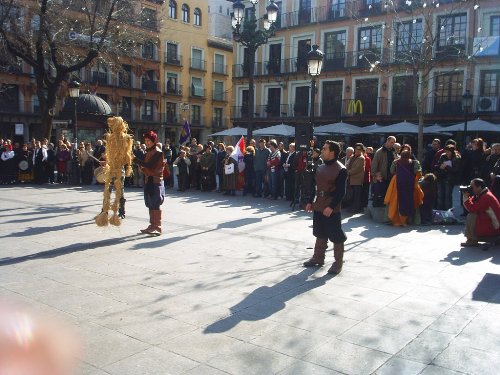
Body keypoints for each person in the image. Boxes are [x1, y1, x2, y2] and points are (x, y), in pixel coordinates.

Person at [303, 140, 347, 274]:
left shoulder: (341, 169)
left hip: (331, 206)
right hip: (318, 204)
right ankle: (318, 257)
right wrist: (310, 201)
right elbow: (315, 187)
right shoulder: (320, 167)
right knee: (319, 231)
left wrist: (332, 206)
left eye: (324, 149)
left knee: (336, 234)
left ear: (332, 152)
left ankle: (338, 263)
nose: (322, 150)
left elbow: (341, 192)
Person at [133, 131, 165, 235]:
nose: (146, 142)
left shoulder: (158, 152)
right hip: (149, 180)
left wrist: (135, 160)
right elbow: (145, 166)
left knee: (155, 203)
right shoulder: (148, 152)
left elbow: (150, 165)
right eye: (145, 140)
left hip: (155, 181)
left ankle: (157, 227)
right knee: (150, 203)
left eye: (148, 140)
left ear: (153, 141)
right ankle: (152, 225)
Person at [385, 145, 424, 226]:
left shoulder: (396, 162)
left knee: (395, 201)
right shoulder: (414, 162)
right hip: (410, 184)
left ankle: (395, 220)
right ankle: (406, 220)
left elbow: (392, 171)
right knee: (409, 201)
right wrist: (415, 180)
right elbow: (419, 172)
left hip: (396, 183)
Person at [461, 178, 500, 246]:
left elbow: (472, 209)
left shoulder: (486, 196)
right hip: (489, 222)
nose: (470, 188)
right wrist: (467, 196)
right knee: (472, 215)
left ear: (479, 187)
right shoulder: (482, 193)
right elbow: (472, 204)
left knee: (471, 216)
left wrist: (465, 198)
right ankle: (470, 239)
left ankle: (472, 239)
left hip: (494, 227)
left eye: (472, 187)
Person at [434, 144, 461, 210]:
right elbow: (437, 165)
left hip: (449, 180)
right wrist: (440, 167)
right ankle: (440, 212)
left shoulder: (456, 158)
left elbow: (456, 170)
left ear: (452, 152)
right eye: (446, 151)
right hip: (441, 178)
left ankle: (448, 212)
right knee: (440, 196)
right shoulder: (443, 156)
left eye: (448, 152)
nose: (447, 153)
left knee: (447, 197)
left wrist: (446, 167)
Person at [346, 143, 365, 213]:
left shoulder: (361, 158)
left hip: (357, 180)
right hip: (350, 179)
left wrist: (347, 172)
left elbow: (357, 169)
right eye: (356, 148)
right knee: (351, 194)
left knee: (356, 196)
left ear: (361, 150)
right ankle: (351, 207)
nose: (357, 150)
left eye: (359, 149)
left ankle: (355, 208)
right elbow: (347, 164)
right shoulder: (352, 157)